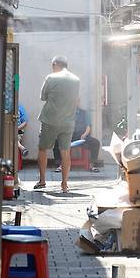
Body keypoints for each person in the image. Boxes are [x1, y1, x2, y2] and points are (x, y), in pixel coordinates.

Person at [35, 55, 80, 193]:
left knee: (43, 149)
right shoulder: (76, 80)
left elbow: (43, 97)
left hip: (50, 120)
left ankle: (42, 181)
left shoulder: (51, 77)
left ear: (55, 64)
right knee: (65, 152)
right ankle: (64, 184)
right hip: (68, 121)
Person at [54, 102, 102, 172]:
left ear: (78, 102)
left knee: (96, 142)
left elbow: (88, 126)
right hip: (69, 135)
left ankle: (92, 165)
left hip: (82, 136)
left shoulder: (85, 113)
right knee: (56, 142)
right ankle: (60, 165)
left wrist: (85, 134)